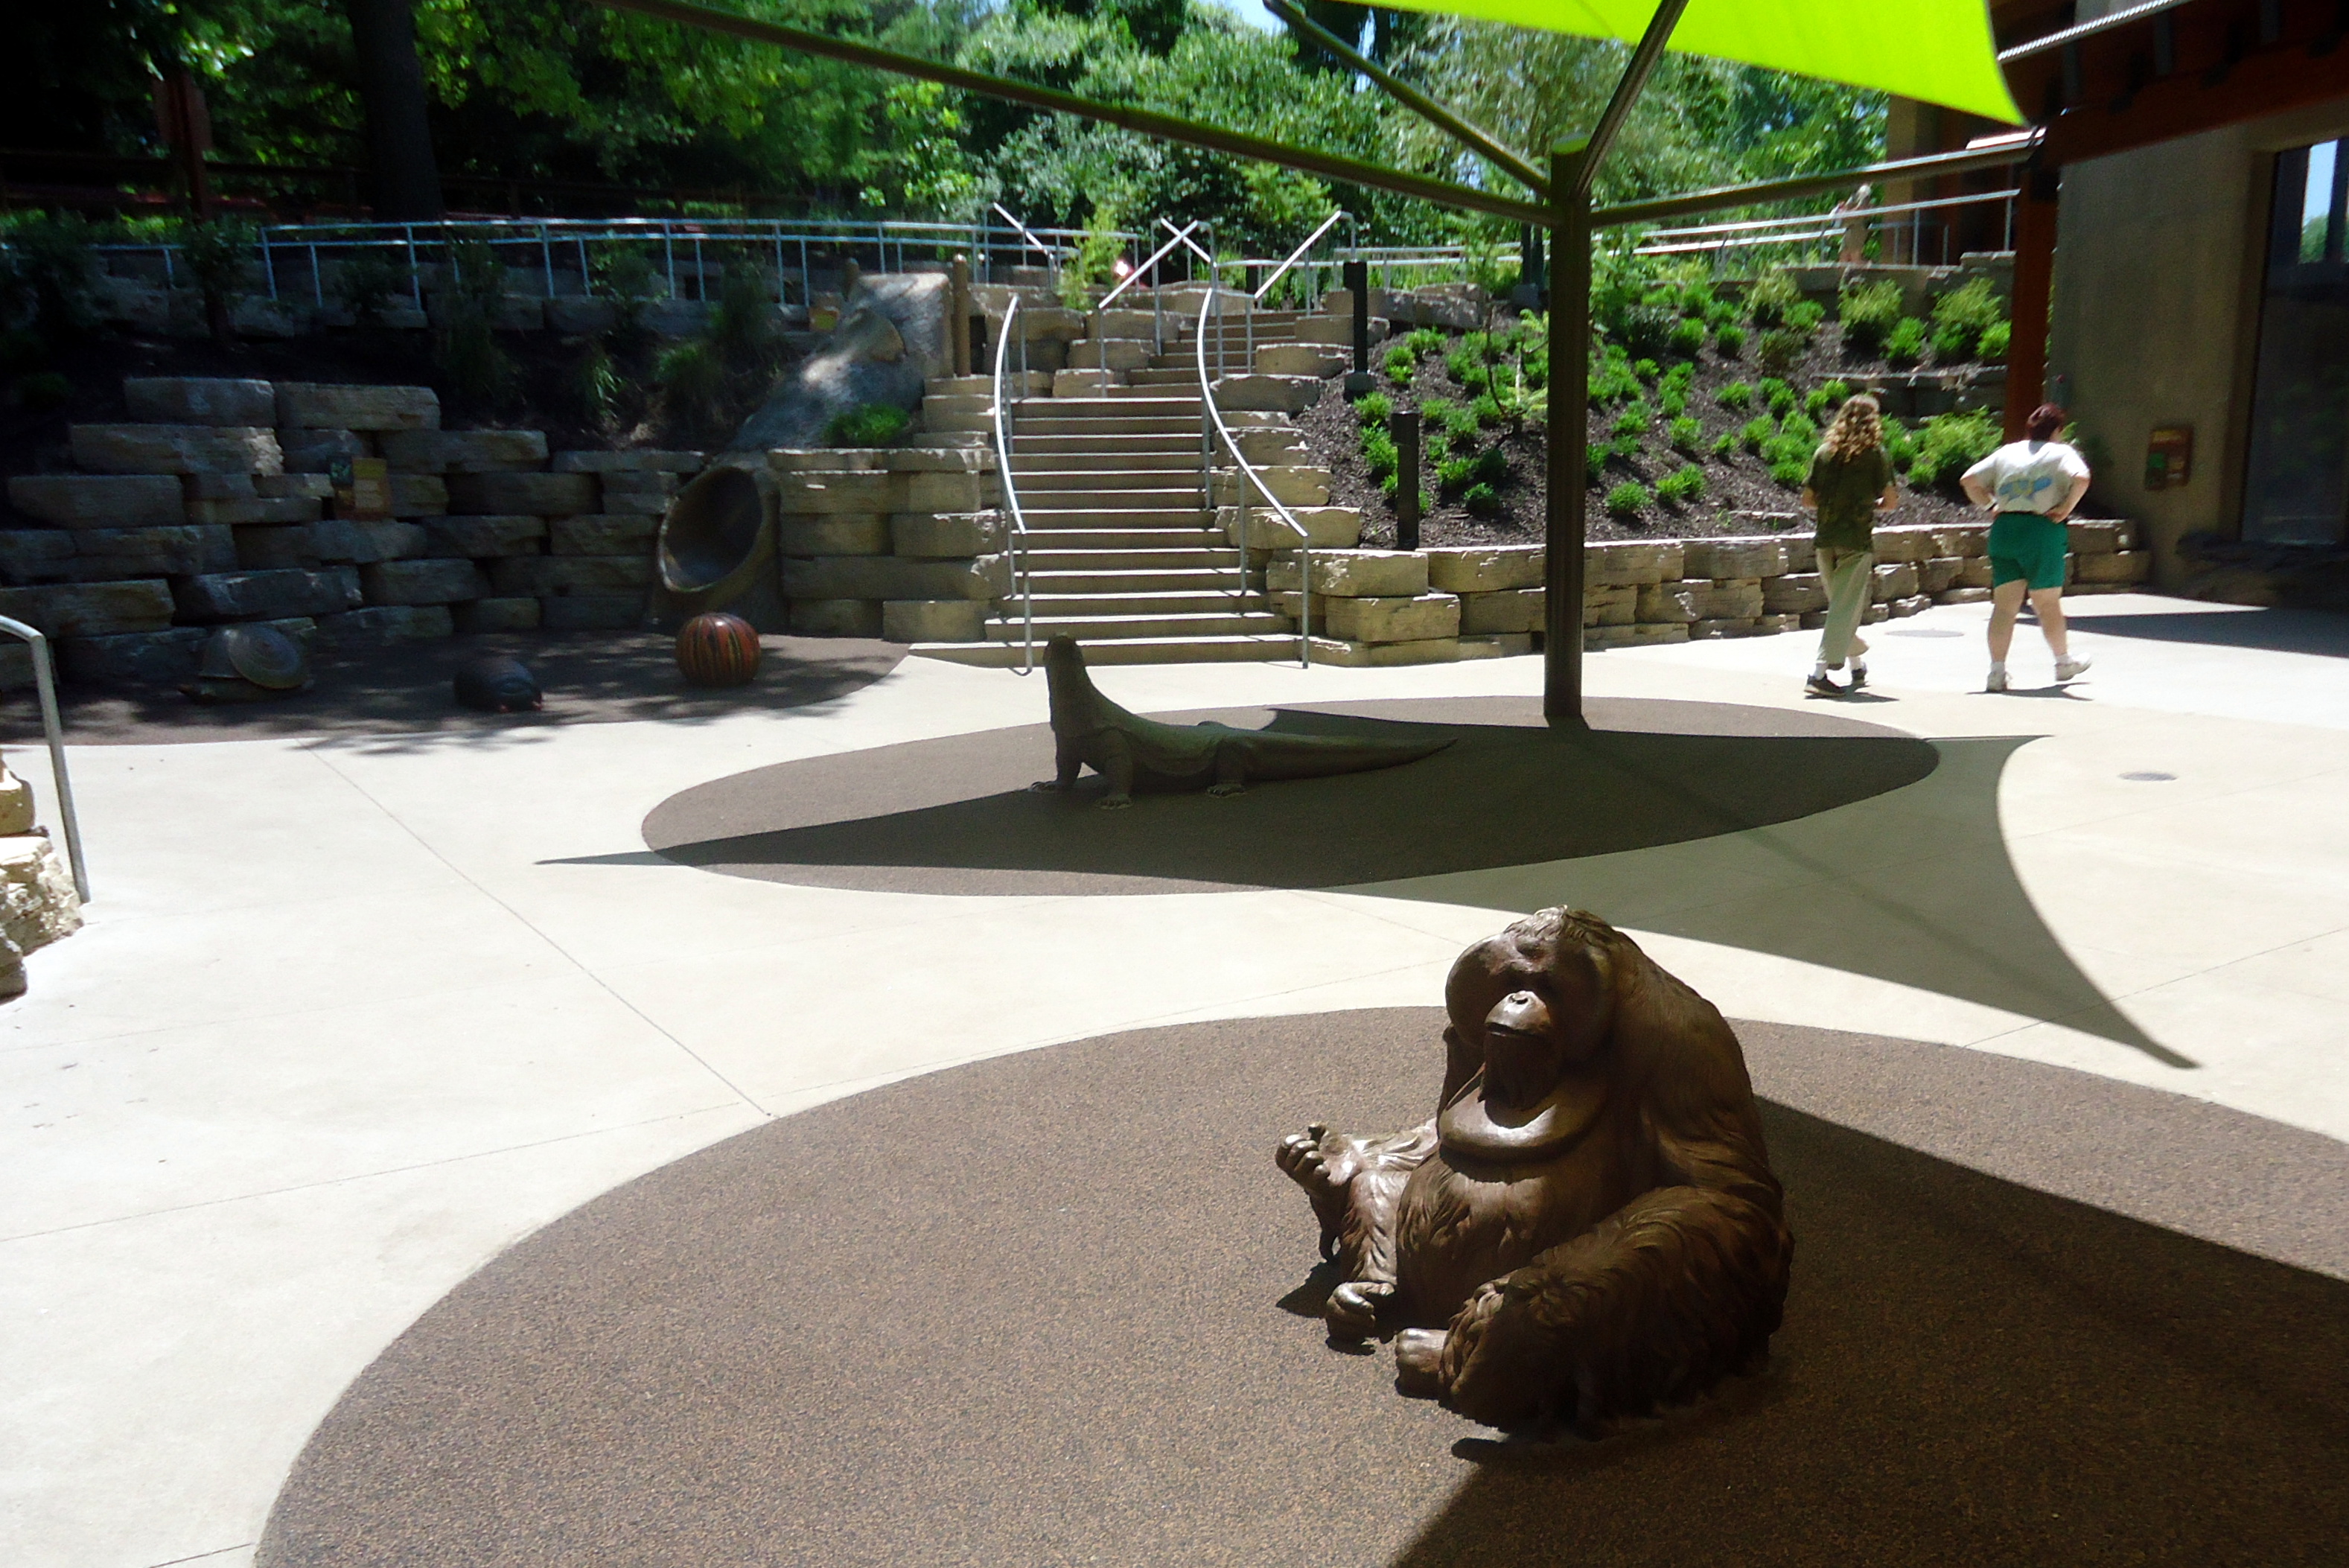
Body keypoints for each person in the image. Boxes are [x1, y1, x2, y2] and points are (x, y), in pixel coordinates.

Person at [1961, 404, 2094, 692]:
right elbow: (2081, 478)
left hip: (2005, 529)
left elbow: (1969, 480)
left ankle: (1997, 671)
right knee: (2046, 602)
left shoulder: (2008, 452)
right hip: (2042, 529)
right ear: (2057, 430)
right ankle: (2063, 662)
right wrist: (2066, 507)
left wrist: (1991, 505)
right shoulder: (2061, 453)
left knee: (2004, 607)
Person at [1800, 393, 1899, 697]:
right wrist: (1869, 505)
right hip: (1855, 541)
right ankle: (1818, 674)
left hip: (1825, 539)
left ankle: (1856, 665)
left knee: (1841, 606)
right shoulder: (1875, 455)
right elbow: (1891, 502)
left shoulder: (1823, 453)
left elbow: (1808, 500)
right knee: (1844, 608)